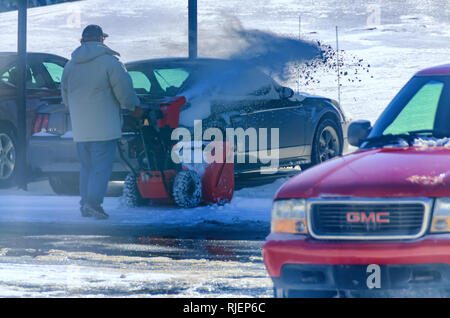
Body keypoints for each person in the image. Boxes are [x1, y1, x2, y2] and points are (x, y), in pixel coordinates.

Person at [61, 24, 142, 219]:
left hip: (81, 129)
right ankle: (93, 204)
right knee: (101, 169)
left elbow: (65, 96)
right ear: (101, 39)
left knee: (87, 168)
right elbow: (124, 91)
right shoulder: (109, 62)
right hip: (104, 127)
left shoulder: (70, 66)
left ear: (82, 41)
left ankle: (85, 204)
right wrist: (134, 108)